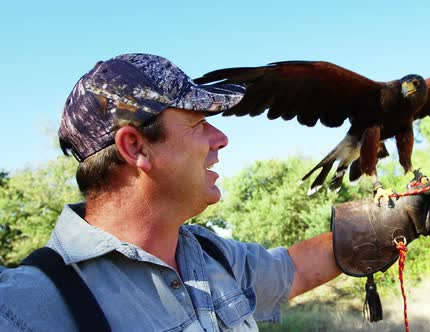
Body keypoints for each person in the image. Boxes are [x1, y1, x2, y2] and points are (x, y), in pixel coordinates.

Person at [0, 53, 341, 331]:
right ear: (136, 147)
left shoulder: (212, 255)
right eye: (199, 121)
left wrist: (388, 222)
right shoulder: (26, 308)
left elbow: (291, 270)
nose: (221, 138)